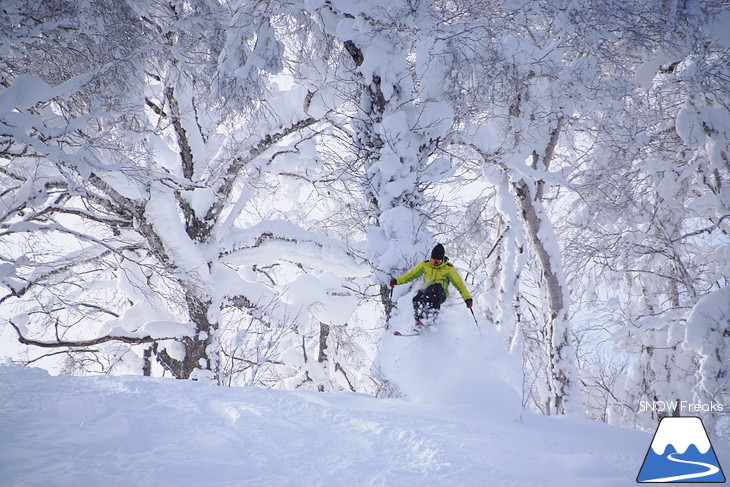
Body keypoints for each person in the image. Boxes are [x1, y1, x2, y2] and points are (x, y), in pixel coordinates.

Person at [389, 244, 473, 330]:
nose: (435, 263)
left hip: (440, 293)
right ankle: (419, 321)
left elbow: (460, 285)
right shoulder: (425, 265)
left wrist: (467, 299)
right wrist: (397, 281)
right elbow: (411, 275)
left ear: (442, 260)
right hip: (426, 291)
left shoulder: (449, 269)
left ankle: (432, 317)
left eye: (438, 262)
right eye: (433, 261)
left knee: (435, 289)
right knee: (416, 298)